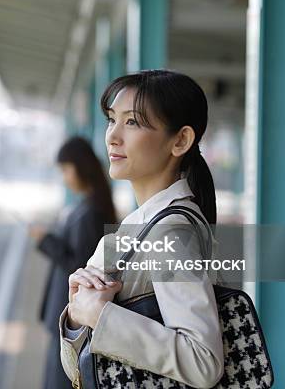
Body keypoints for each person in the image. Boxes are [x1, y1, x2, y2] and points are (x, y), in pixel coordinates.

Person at [59, 70, 225, 388]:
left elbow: (203, 362)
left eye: (132, 122)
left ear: (180, 141)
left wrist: (99, 315)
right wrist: (78, 309)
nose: (112, 136)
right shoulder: (141, 226)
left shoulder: (170, 235)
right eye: (112, 119)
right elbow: (79, 369)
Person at [30, 136, 117, 389]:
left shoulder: (90, 213)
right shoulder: (89, 206)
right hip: (68, 315)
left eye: (67, 169)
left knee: (60, 379)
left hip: (72, 317)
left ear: (82, 167)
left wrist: (45, 239)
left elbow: (79, 265)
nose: (65, 177)